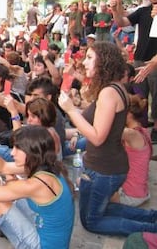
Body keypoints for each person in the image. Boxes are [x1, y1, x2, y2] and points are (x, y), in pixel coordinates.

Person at [58, 41, 157, 236]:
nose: (84, 63)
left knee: (91, 222)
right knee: (104, 209)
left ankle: (151, 229)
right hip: (108, 166)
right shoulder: (113, 88)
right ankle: (152, 217)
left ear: (103, 62)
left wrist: (70, 110)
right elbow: (95, 120)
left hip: (103, 170)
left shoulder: (108, 93)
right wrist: (75, 112)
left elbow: (97, 137)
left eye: (89, 58)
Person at [110, 0, 157, 142]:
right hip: (139, 61)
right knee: (139, 96)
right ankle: (140, 130)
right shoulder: (143, 11)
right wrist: (116, 9)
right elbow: (122, 22)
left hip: (155, 62)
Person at [110, 94, 152, 207]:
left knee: (88, 186)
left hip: (130, 195)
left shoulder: (130, 134)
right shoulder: (143, 130)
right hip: (140, 191)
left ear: (128, 114)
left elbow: (106, 130)